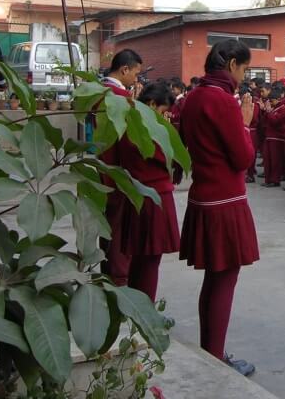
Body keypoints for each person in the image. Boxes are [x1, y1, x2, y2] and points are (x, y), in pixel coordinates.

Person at [179, 39, 258, 375]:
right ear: (231, 66)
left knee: (213, 277)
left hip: (202, 193)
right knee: (225, 277)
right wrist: (245, 122)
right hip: (225, 198)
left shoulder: (193, 96)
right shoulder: (224, 101)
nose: (243, 76)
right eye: (243, 69)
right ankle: (215, 355)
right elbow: (243, 157)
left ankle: (209, 350)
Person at [110, 81, 181, 301]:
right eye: (162, 111)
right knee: (149, 260)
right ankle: (145, 308)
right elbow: (168, 158)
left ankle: (136, 304)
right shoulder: (147, 129)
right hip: (155, 197)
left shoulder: (125, 122)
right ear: (151, 104)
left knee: (140, 258)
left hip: (136, 194)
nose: (164, 116)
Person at [100, 49, 146, 286]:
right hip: (115, 167)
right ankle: (117, 272)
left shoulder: (96, 91)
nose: (136, 79)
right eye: (135, 73)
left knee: (104, 222)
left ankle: (105, 265)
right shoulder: (119, 96)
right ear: (124, 69)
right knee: (118, 225)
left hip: (96, 165)